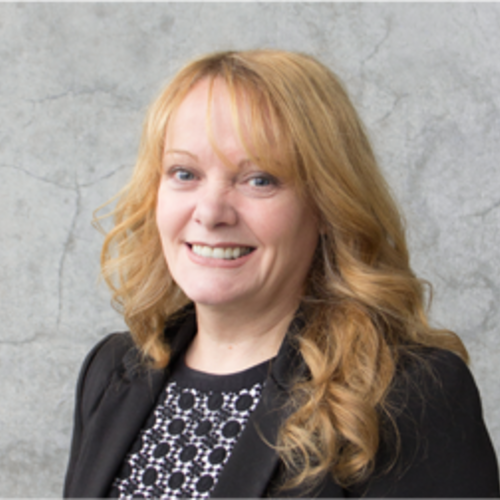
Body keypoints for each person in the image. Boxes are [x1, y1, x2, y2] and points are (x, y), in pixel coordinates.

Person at [63, 50, 499, 500]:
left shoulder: (405, 396)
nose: (211, 212)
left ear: (328, 205)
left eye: (260, 180)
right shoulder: (113, 371)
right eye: (184, 172)